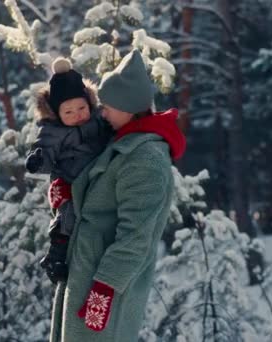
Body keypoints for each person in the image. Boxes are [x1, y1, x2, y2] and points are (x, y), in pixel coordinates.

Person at [48, 50, 186, 342]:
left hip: (104, 287)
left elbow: (136, 237)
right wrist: (63, 193)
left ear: (129, 107)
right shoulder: (121, 143)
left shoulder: (145, 159)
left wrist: (103, 291)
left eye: (108, 106)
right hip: (84, 270)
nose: (103, 112)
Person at [25, 57, 112, 284]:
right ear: (56, 113)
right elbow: (45, 152)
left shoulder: (98, 118)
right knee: (69, 216)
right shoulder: (52, 131)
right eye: (69, 112)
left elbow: (113, 130)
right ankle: (55, 257)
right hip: (69, 182)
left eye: (81, 108)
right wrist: (37, 160)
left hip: (96, 176)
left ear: (89, 102)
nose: (77, 115)